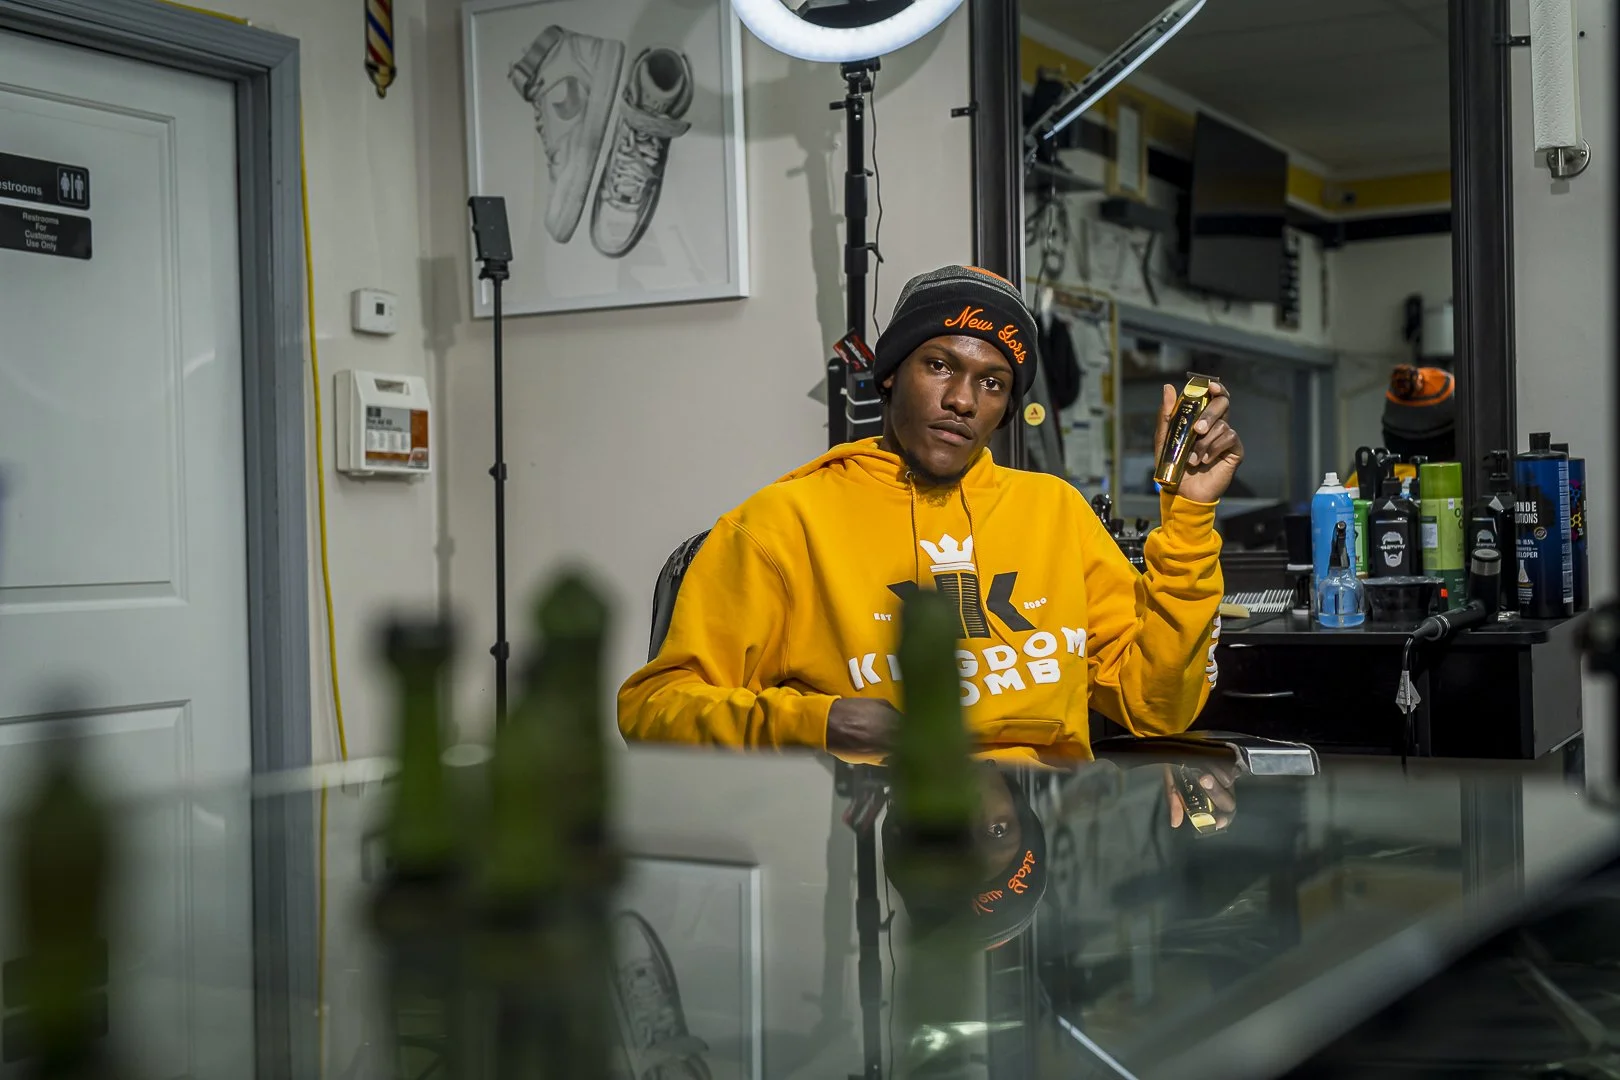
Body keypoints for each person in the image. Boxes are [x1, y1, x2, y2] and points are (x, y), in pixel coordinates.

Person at [617, 264, 1244, 765]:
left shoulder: (1054, 510)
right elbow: (654, 709)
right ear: (890, 374)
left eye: (993, 382)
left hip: (1038, 835)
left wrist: (1189, 517)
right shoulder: (785, 523)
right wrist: (818, 722)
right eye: (939, 365)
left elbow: (1158, 707)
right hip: (871, 847)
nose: (962, 400)